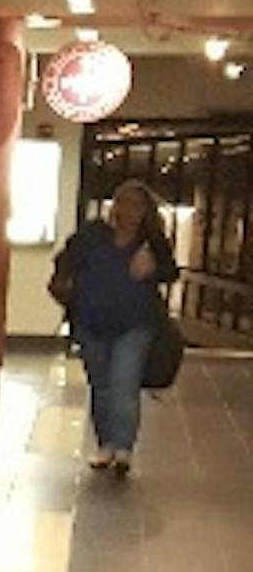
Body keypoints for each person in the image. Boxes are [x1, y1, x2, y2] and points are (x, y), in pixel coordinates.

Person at [53, 179, 179, 475]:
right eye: (124, 202)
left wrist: (153, 267)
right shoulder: (92, 235)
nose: (130, 210)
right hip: (91, 323)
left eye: (137, 204)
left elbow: (170, 272)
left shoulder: (151, 242)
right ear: (115, 205)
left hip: (134, 325)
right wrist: (65, 282)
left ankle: (123, 449)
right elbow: (65, 260)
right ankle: (105, 444)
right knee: (101, 387)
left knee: (124, 386)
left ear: (146, 211)